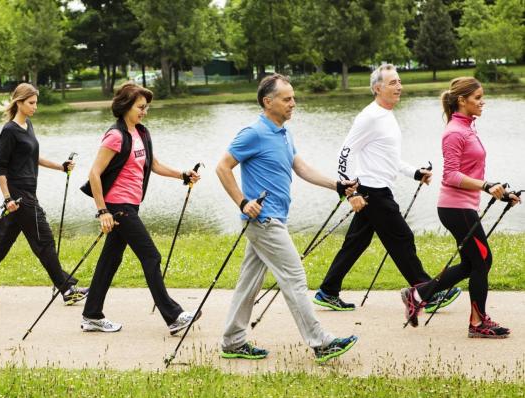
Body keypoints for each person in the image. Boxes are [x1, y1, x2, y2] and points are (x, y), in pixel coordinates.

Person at [216, 74, 358, 363]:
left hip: (274, 218)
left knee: (249, 282)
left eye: (293, 98)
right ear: (268, 102)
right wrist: (243, 202)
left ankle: (232, 341)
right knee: (294, 277)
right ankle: (320, 342)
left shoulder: (283, 133)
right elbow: (222, 167)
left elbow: (301, 168)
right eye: (287, 99)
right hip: (264, 220)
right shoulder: (254, 133)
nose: (293, 103)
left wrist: (336, 185)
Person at [313, 63, 461, 312]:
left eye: (399, 81)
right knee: (402, 238)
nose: (399, 86)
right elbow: (344, 153)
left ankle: (327, 291)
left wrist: (415, 173)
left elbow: (389, 159)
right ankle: (426, 292)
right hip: (372, 192)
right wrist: (352, 193)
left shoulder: (386, 115)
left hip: (376, 189)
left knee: (355, 243)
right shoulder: (369, 117)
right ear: (377, 88)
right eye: (393, 83)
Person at [80, 82, 202, 335]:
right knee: (151, 256)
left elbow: (153, 164)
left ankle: (92, 315)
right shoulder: (115, 136)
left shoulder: (141, 133)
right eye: (140, 107)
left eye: (146, 107)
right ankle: (174, 315)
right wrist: (103, 211)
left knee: (110, 260)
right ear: (126, 106)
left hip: (131, 205)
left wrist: (182, 174)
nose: (144, 111)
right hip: (119, 206)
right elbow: (94, 173)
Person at [400, 77, 519, 333]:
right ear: (462, 101)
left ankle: (418, 295)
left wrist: (501, 193)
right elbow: (451, 176)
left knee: (471, 264)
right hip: (455, 208)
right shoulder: (454, 132)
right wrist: (486, 185)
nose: (482, 102)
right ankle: (478, 322)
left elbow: (471, 171)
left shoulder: (468, 128)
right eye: (477, 98)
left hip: (464, 206)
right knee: (483, 260)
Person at [0, 83, 88, 305]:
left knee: (2, 242)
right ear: (19, 102)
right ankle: (67, 289)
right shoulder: (9, 131)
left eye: (36, 103)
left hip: (28, 191)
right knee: (44, 239)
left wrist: (61, 167)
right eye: (31, 103)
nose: (35, 107)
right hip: (19, 195)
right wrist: (7, 199)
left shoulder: (27, 125)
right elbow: (0, 167)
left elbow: (33, 156)